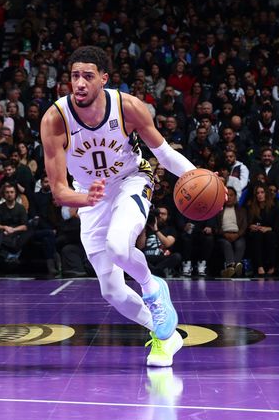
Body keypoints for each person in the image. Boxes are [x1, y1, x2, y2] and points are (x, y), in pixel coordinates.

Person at [41, 46, 202, 367]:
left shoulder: (128, 107)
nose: (80, 83)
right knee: (111, 291)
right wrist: (82, 198)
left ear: (104, 79)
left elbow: (165, 155)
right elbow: (59, 190)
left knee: (118, 245)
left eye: (88, 76)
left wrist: (198, 176)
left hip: (132, 179)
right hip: (90, 195)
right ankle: (165, 336)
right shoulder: (54, 119)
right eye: (75, 76)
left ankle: (152, 288)